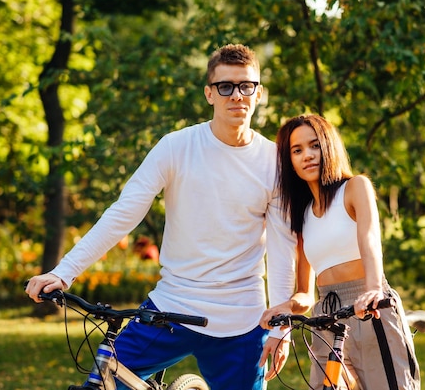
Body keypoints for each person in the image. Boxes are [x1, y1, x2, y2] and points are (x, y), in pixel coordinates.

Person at [25, 43, 297, 390]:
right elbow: (123, 213)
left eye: (247, 86)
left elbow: (283, 248)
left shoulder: (274, 162)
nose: (236, 96)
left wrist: (281, 324)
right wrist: (64, 272)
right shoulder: (176, 147)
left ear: (260, 94)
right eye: (225, 86)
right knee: (103, 383)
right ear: (209, 94)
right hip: (170, 308)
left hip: (241, 321)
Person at [259, 114, 420, 389]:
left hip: (370, 307)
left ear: (328, 145)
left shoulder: (355, 187)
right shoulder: (302, 216)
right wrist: (283, 309)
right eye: (297, 150)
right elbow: (305, 295)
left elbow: (370, 240)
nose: (307, 155)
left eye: (314, 145)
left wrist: (372, 290)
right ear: (290, 162)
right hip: (326, 316)